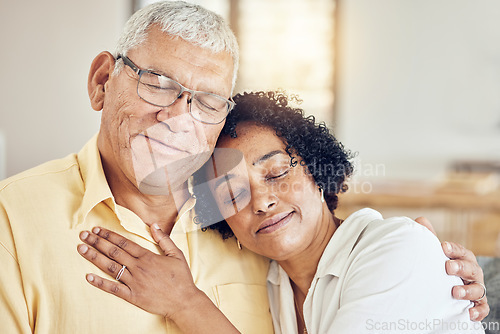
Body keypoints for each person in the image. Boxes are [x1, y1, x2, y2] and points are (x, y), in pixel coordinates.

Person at [0, 1, 487, 333]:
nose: (178, 118)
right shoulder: (14, 221)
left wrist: (441, 269)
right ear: (102, 81)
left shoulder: (240, 228)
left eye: (207, 101)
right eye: (158, 83)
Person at [77, 91, 488, 333]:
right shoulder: (273, 282)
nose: (261, 201)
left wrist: (185, 304)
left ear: (316, 168)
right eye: (231, 194)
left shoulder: (395, 249)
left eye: (275, 173)